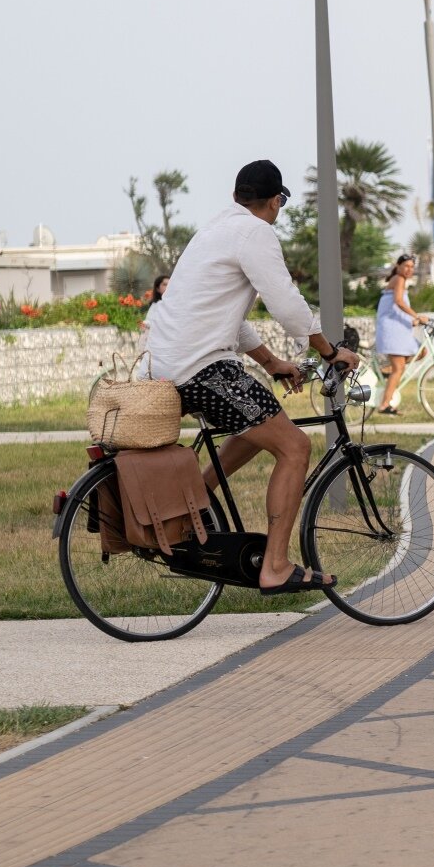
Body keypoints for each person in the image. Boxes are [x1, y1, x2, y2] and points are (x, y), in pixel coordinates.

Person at [144, 158, 361, 594]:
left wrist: (272, 363)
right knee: (295, 447)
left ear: (236, 196)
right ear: (276, 201)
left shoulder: (214, 230)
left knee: (259, 422)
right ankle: (275, 567)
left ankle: (193, 501)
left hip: (167, 361)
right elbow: (285, 301)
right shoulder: (256, 233)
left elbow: (228, 317)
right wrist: (329, 350)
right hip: (201, 366)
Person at [373, 253, 432, 415]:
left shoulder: (399, 280)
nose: (409, 269)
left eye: (412, 267)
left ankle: (387, 370)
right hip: (393, 331)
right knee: (398, 368)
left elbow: (393, 307)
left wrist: (412, 321)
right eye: (406, 266)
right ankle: (385, 405)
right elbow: (398, 301)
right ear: (398, 266)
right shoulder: (399, 279)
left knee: (422, 352)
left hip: (398, 328)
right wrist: (417, 316)